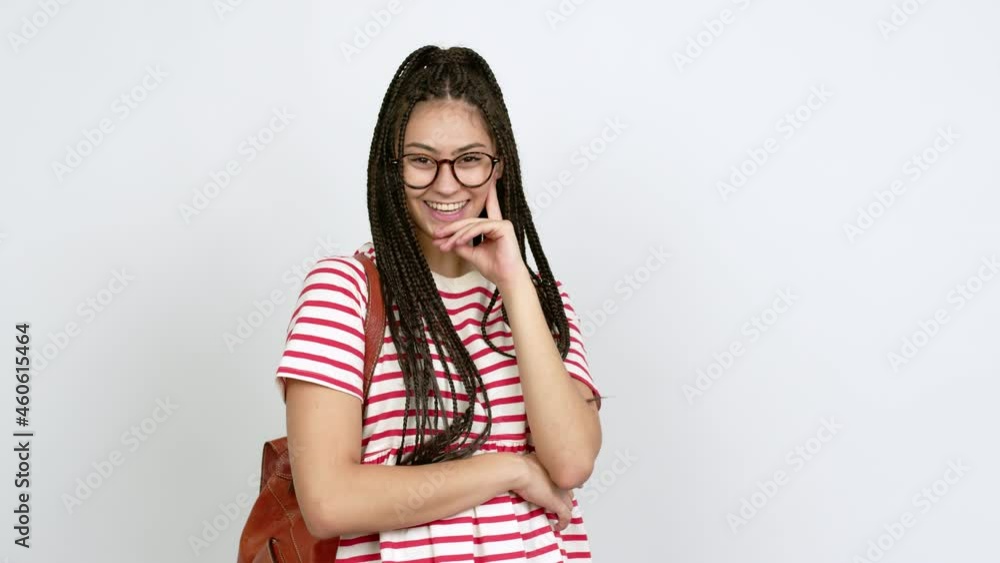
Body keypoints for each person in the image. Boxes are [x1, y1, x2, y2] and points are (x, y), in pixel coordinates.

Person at [274, 44, 605, 562]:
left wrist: (516, 283)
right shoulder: (345, 291)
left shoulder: (542, 301)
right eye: (422, 161)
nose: (445, 184)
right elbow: (329, 501)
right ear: (392, 167)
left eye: (469, 160)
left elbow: (570, 463)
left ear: (499, 167)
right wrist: (510, 469)